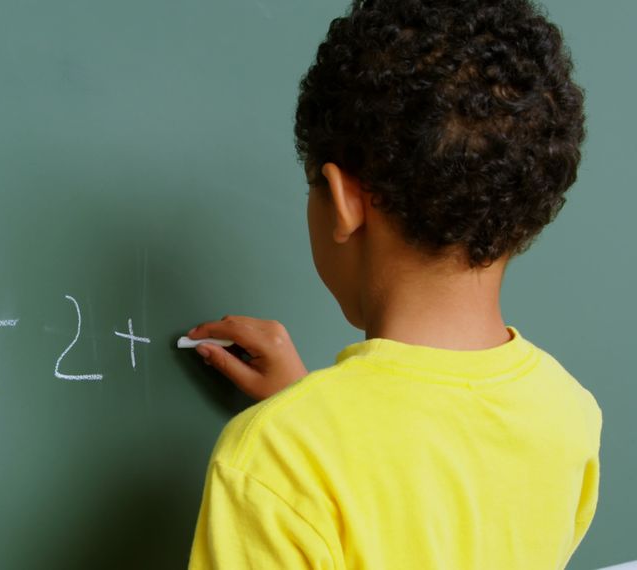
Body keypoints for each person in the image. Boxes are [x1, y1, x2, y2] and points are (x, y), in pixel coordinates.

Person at [186, 0, 601, 567]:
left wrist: (306, 432)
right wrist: (308, 414)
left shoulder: (271, 461)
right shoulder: (569, 414)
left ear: (343, 199)